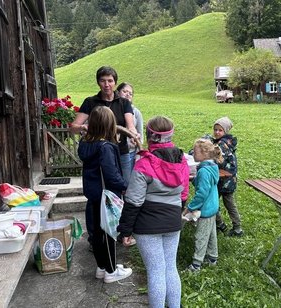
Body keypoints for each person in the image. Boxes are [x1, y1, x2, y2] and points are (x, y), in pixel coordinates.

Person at [117, 116, 189, 308]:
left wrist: (125, 231)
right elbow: (184, 194)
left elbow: (133, 201)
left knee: (156, 271)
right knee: (170, 268)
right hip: (173, 221)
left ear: (149, 136)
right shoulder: (182, 161)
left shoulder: (144, 163)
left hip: (147, 225)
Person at [70, 66, 138, 249]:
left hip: (120, 152)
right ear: (98, 82)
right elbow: (74, 126)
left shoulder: (123, 102)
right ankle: (95, 237)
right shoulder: (91, 102)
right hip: (99, 150)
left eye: (110, 80)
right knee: (97, 194)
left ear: (115, 82)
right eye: (103, 80)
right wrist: (85, 128)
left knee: (119, 193)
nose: (106, 84)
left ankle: (119, 232)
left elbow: (130, 125)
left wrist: (133, 134)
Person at [77, 106, 132, 283]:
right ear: (109, 125)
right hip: (107, 196)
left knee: (98, 234)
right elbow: (111, 173)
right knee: (109, 233)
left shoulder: (86, 144)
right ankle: (110, 271)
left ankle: (103, 266)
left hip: (93, 196)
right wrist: (124, 186)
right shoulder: (105, 147)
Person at [184, 138, 223, 272]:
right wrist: (195, 180)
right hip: (213, 206)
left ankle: (196, 264)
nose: (192, 154)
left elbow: (202, 194)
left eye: (194, 152)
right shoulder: (212, 166)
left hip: (205, 208)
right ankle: (212, 257)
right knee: (211, 233)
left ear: (204, 153)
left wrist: (190, 207)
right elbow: (208, 185)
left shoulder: (203, 171)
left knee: (201, 236)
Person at [211, 117, 243, 237]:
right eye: (215, 129)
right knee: (227, 203)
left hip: (225, 180)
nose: (217, 132)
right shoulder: (226, 141)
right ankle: (232, 226)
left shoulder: (222, 144)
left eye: (220, 130)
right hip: (227, 179)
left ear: (225, 132)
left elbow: (218, 160)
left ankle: (231, 226)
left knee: (215, 201)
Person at [117, 82, 144, 188]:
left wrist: (139, 152)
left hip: (130, 152)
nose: (128, 95)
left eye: (130, 93)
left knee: (128, 181)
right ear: (118, 93)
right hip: (114, 150)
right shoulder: (113, 108)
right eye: (124, 91)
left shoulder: (136, 112)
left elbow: (140, 133)